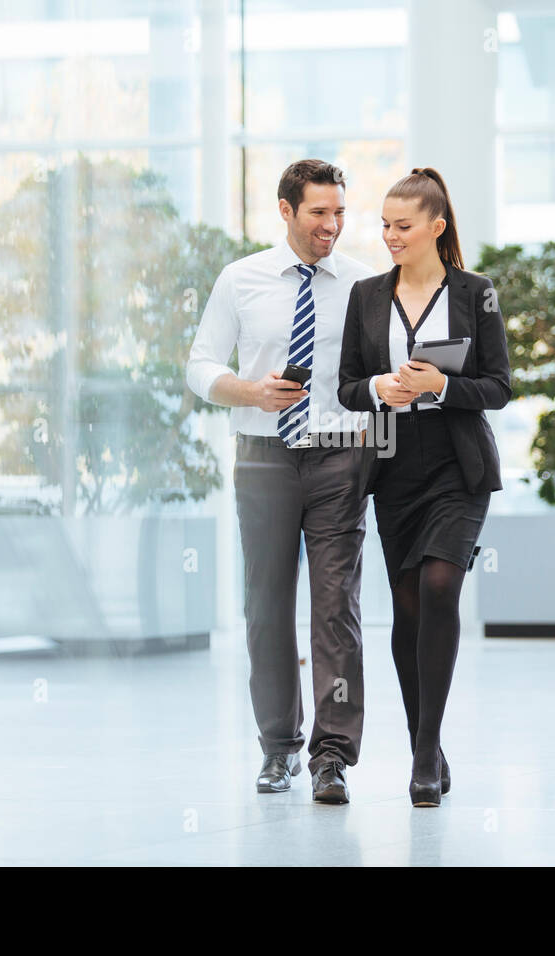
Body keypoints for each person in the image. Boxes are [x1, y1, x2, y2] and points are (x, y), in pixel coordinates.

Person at [186, 160, 375, 803]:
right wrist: (249, 390)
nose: (332, 225)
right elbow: (199, 366)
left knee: (335, 608)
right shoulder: (242, 280)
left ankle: (332, 757)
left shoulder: (363, 283)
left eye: (340, 212)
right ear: (287, 210)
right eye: (319, 212)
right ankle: (278, 749)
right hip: (263, 455)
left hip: (340, 453)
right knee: (267, 608)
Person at [336, 167, 511, 807]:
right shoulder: (367, 295)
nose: (389, 236)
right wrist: (382, 387)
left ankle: (422, 755)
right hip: (393, 465)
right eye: (383, 225)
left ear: (436, 227)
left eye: (402, 226)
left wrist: (441, 387)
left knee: (441, 585)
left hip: (456, 463)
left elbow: (499, 385)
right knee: (407, 606)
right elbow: (347, 385)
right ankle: (426, 744)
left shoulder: (476, 292)